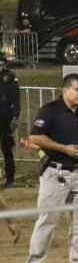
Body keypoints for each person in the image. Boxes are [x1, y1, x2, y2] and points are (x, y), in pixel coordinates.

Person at [23, 74, 78, 263]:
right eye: (77, 89)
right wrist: (63, 148)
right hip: (55, 174)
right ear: (65, 90)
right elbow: (35, 137)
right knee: (47, 220)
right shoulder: (50, 110)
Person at [0, 53, 21, 187]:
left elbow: (16, 97)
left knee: (7, 148)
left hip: (4, 117)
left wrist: (15, 115)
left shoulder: (10, 77)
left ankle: (10, 178)